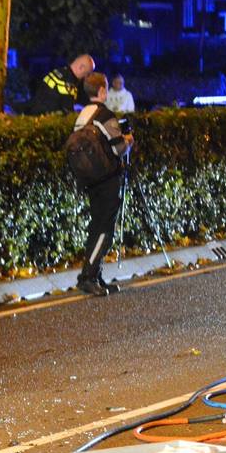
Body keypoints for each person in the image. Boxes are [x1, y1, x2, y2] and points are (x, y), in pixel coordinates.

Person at [71, 72, 133, 297]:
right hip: (107, 178)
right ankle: (88, 276)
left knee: (96, 226)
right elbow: (118, 148)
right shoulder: (105, 115)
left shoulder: (83, 114)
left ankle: (95, 274)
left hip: (89, 178)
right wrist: (128, 141)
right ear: (102, 91)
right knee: (104, 229)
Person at [29, 54, 95, 115]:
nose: (86, 77)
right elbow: (68, 112)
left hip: (38, 115)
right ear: (81, 68)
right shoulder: (68, 83)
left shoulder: (60, 72)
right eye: (87, 74)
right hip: (47, 120)